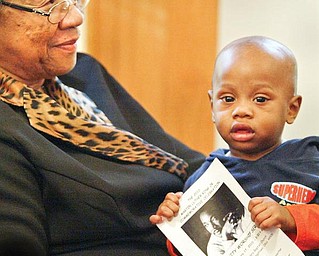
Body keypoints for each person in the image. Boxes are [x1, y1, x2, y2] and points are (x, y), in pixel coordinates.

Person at [0, 1, 205, 255]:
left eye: (74, 1)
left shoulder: (85, 74)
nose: (75, 17)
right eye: (49, 6)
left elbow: (192, 165)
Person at [150, 36, 319, 256]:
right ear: (212, 107)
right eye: (228, 99)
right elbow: (191, 248)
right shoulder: (205, 178)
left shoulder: (309, 159)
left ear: (291, 109)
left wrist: (292, 218)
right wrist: (172, 223)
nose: (241, 111)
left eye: (259, 99)